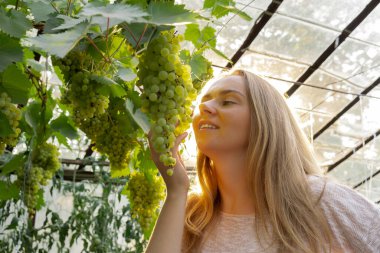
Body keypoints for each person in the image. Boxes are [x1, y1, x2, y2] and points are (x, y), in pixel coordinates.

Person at [145, 69, 380, 253]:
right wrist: (176, 190)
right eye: (203, 102)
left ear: (265, 120)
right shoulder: (192, 216)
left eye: (227, 101)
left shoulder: (320, 200)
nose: (204, 107)